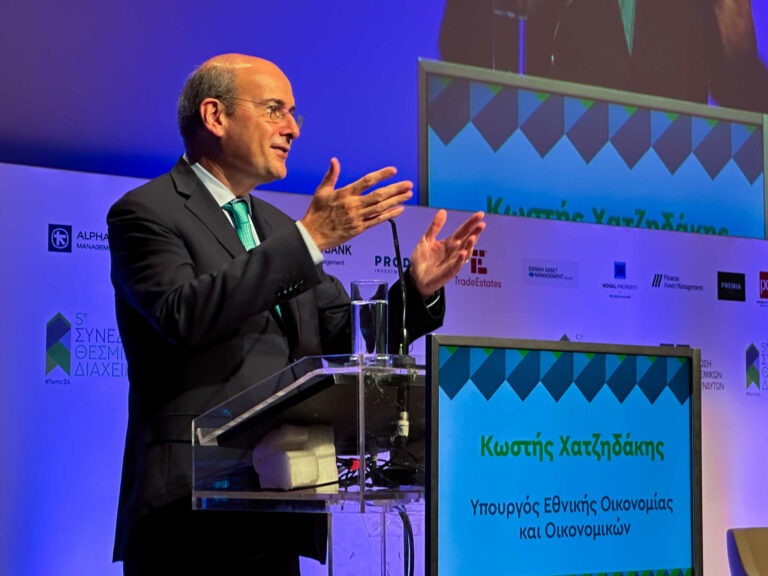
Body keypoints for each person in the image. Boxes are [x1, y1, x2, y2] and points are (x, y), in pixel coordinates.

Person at [107, 53, 485, 575]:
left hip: (278, 507)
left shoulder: (276, 226)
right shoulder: (146, 213)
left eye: (294, 114)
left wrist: (416, 290)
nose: (292, 129)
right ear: (215, 116)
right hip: (187, 517)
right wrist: (308, 239)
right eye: (275, 110)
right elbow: (181, 315)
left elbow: (338, 330)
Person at [439, 0, 768, 113]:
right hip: (552, 170)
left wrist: (738, 41)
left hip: (672, 187)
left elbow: (740, 97)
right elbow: (460, 53)